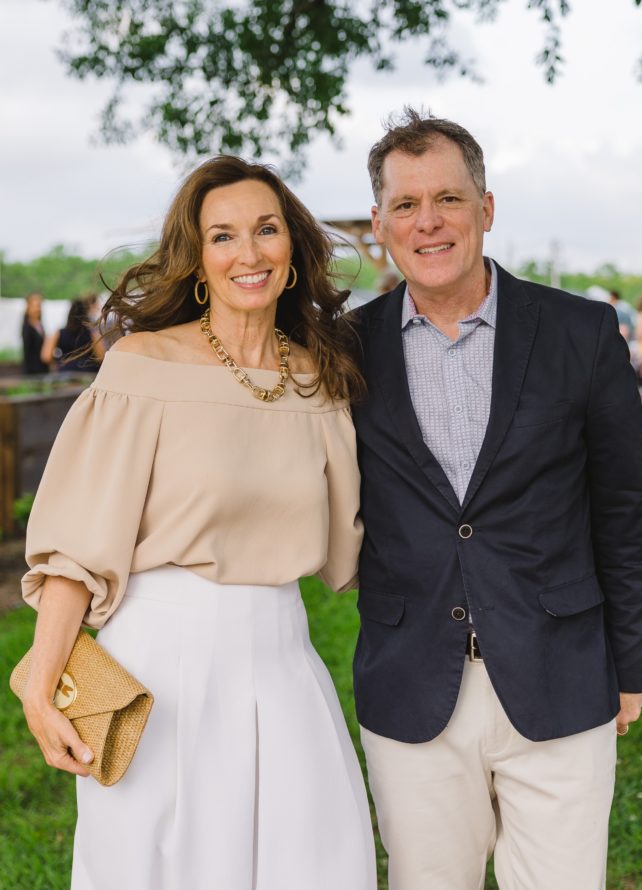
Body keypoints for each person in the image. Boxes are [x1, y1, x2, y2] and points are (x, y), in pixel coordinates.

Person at [19, 156, 376, 889]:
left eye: (266, 230)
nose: (248, 252)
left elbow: (361, 544)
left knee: (313, 863)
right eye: (223, 236)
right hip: (159, 671)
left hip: (283, 667)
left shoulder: (319, 380)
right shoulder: (142, 368)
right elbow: (77, 548)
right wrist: (40, 678)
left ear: (293, 249)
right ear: (199, 259)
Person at [351, 108, 642, 890]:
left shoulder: (582, 333)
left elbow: (624, 511)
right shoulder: (343, 352)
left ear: (485, 209)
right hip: (410, 679)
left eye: (449, 199)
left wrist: (629, 669)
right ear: (380, 223)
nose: (430, 222)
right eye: (407, 205)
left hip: (562, 672)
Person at [41, 296, 106, 372]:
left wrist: (58, 362)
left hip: (66, 373)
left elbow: (46, 356)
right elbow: (101, 356)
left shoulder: (59, 333)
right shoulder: (92, 334)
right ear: (85, 314)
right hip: (88, 373)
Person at [21, 291, 48, 375]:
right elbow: (28, 353)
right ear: (29, 307)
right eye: (36, 306)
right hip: (33, 371)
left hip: (42, 369)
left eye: (39, 306)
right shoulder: (28, 327)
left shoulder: (39, 325)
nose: (38, 309)